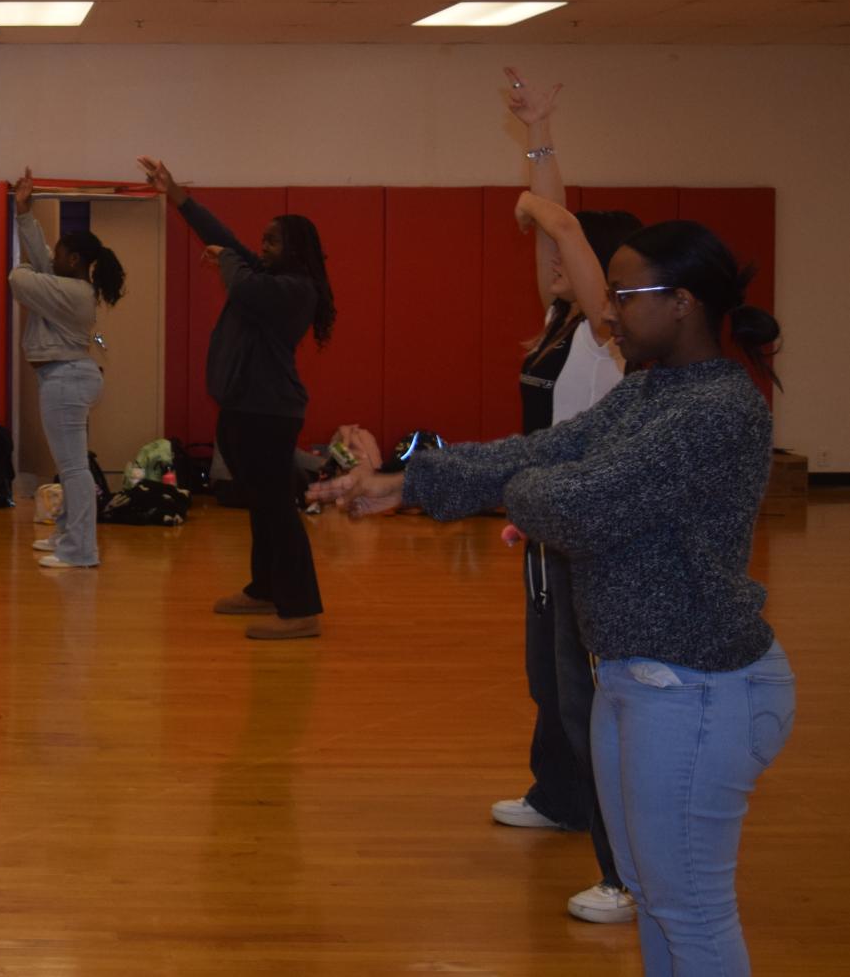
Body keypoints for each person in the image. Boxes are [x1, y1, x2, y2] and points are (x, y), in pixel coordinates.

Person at [312, 221, 792, 977]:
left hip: (697, 687)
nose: (608, 315)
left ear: (682, 304)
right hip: (636, 677)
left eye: (624, 297)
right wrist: (407, 483)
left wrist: (528, 492)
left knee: (689, 908)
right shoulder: (649, 394)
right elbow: (538, 453)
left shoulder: (715, 412)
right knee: (654, 895)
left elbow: (572, 502)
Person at [499, 69, 644, 926]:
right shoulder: (558, 322)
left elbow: (557, 232)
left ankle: (623, 872)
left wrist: (552, 210)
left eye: (570, 256)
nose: (551, 263)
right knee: (547, 683)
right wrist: (540, 132)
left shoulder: (606, 333)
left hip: (593, 529)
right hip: (551, 520)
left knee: (585, 693)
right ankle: (557, 796)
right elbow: (549, 241)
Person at [138, 156, 335, 639]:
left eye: (271, 240)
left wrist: (226, 258)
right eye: (262, 239)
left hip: (269, 414)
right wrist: (176, 193)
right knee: (262, 505)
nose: (262, 245)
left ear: (294, 249)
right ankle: (265, 588)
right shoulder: (268, 277)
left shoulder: (295, 289)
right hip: (245, 410)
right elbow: (224, 239)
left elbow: (240, 278)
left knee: (276, 510)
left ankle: (301, 610)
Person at [8, 168, 125, 569]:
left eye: (60, 252)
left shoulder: (73, 293)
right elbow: (41, 259)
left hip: (66, 380)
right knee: (69, 465)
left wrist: (25, 267)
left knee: (74, 468)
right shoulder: (71, 287)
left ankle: (81, 550)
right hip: (67, 378)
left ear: (73, 260)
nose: (52, 257)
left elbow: (20, 278)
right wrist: (23, 211)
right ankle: (68, 535)